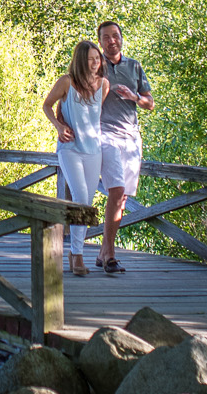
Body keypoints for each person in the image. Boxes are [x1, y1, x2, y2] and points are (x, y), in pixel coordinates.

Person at [40, 39, 108, 276]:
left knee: (86, 203)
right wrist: (58, 126)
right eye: (90, 59)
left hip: (94, 150)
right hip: (70, 149)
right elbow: (47, 105)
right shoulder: (66, 82)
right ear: (80, 60)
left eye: (97, 58)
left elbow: (95, 117)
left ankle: (75, 253)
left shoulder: (103, 85)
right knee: (79, 197)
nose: (95, 63)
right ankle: (77, 255)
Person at [95, 20, 152, 274]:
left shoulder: (134, 66)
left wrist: (135, 97)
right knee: (116, 190)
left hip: (131, 138)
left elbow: (150, 103)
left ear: (121, 38)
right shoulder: (95, 66)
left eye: (115, 36)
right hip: (104, 134)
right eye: (106, 37)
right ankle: (110, 255)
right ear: (100, 42)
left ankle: (102, 252)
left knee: (122, 196)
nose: (111, 41)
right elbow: (78, 93)